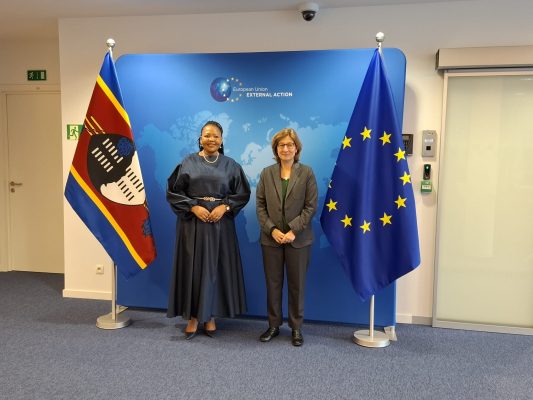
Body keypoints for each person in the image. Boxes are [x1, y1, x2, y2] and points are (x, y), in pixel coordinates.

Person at [166, 120, 251, 340]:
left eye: (215, 136)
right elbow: (173, 192)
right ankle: (193, 317)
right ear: (200, 139)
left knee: (215, 270)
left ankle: (210, 316)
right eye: (207, 135)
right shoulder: (187, 162)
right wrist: (193, 207)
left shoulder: (231, 165)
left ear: (221, 141)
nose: (211, 139)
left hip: (221, 226)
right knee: (193, 270)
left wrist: (225, 206)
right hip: (192, 225)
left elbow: (242, 193)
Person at [256, 128, 318, 346]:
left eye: (290, 144)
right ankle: (273, 325)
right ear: (276, 149)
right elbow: (260, 206)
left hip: (298, 240)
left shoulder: (307, 173)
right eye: (281, 145)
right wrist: (272, 229)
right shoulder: (266, 173)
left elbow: (310, 207)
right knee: (273, 284)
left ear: (296, 148)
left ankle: (296, 328)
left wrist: (293, 230)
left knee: (296, 285)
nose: (286, 148)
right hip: (271, 240)